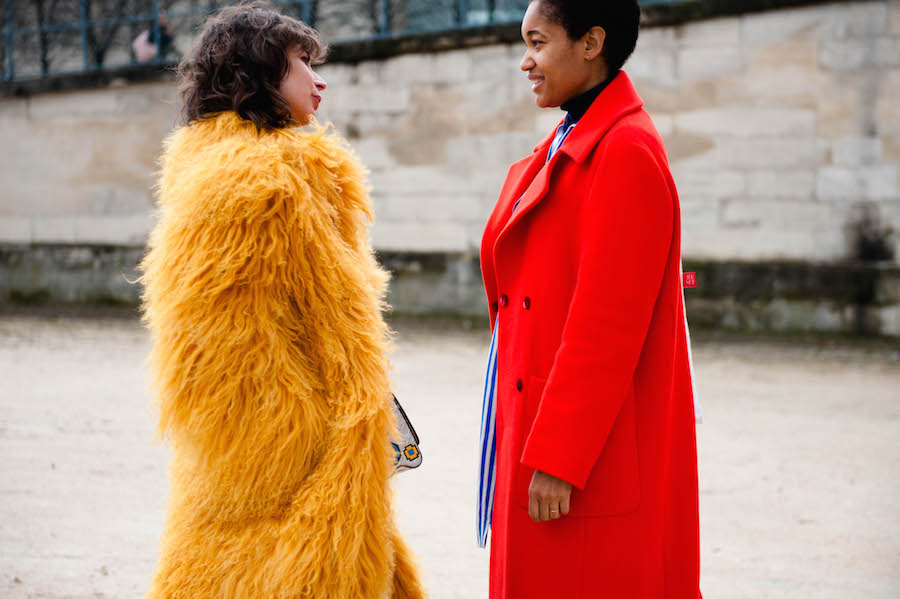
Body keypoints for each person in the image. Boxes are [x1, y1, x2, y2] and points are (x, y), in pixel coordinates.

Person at [139, 3, 426, 598]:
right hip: (303, 446)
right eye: (300, 63)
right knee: (312, 571)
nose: (319, 80)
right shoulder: (286, 175)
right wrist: (360, 431)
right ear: (258, 76)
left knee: (214, 571)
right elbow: (342, 330)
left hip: (229, 449)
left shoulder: (202, 167)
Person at [476, 0, 702, 597]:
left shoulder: (624, 150)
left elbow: (606, 327)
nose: (525, 61)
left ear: (591, 43)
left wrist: (559, 458)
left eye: (538, 41)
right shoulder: (575, 136)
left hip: (580, 454)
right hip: (540, 422)